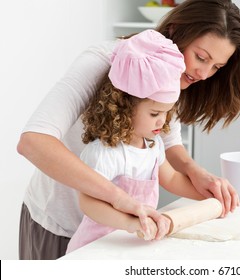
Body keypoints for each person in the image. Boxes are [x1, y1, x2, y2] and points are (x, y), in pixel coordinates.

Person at [17, 0, 240, 259]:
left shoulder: (171, 76)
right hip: (59, 226)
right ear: (176, 31)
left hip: (116, 236)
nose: (204, 73)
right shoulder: (102, 61)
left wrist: (198, 174)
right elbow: (33, 141)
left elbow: (168, 142)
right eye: (201, 57)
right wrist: (120, 200)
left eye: (216, 67)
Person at [66, 29, 206, 254]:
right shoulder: (105, 153)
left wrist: (207, 195)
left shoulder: (153, 145)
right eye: (154, 114)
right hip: (97, 248)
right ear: (124, 107)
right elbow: (88, 202)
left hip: (131, 244)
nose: (161, 120)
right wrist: (130, 223)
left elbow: (169, 177)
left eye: (166, 113)